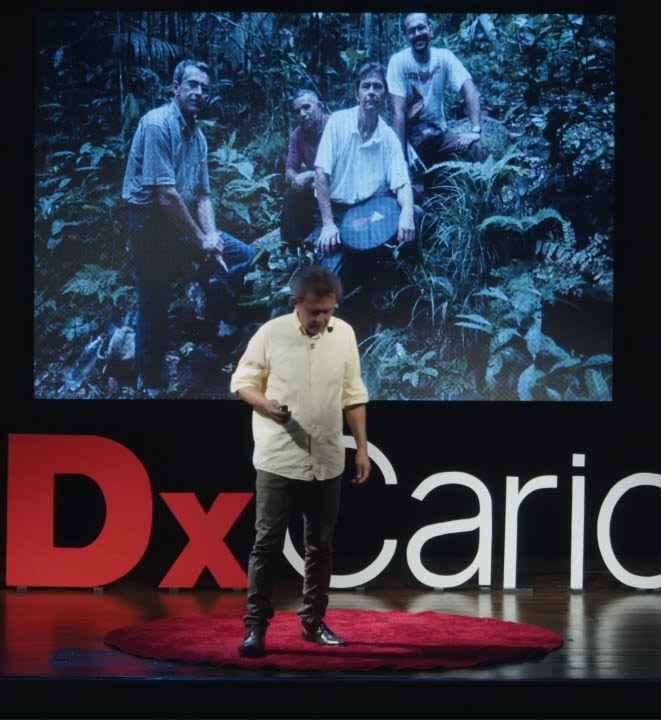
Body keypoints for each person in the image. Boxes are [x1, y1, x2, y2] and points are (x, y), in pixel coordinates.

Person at [230, 264, 370, 658]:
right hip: (279, 458)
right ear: (296, 303)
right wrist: (267, 406)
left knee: (320, 546)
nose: (322, 319)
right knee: (266, 545)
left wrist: (361, 447)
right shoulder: (271, 333)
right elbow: (243, 382)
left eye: (329, 311)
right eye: (314, 312)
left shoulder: (344, 335)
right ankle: (256, 628)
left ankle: (313, 621)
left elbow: (353, 393)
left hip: (326, 458)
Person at [121, 59, 255, 395]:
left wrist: (210, 238)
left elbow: (204, 195)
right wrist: (201, 240)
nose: (198, 92)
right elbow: (165, 195)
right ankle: (153, 385)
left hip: (180, 219)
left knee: (242, 255)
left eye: (204, 88)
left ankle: (226, 320)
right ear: (175, 87)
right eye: (192, 85)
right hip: (149, 223)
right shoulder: (157, 125)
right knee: (153, 302)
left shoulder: (198, 137)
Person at [311, 61, 416, 332]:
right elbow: (321, 173)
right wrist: (328, 224)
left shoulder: (388, 136)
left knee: (417, 218)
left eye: (377, 87)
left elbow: (402, 183)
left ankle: (404, 312)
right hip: (337, 212)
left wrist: (406, 214)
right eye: (366, 86)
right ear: (357, 92)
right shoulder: (338, 123)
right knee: (329, 278)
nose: (371, 92)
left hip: (371, 211)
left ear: (384, 95)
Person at [386, 12, 488, 168]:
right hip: (410, 138)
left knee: (475, 150)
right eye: (411, 31)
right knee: (412, 178)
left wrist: (475, 130)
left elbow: (469, 90)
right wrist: (401, 157)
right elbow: (397, 112)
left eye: (421, 28)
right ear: (407, 36)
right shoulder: (398, 61)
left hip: (438, 133)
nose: (417, 34)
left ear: (430, 30)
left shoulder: (444, 57)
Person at [280, 89, 329, 246]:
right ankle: (292, 247)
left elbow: (342, 170)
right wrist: (305, 180)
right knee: (291, 194)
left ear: (319, 106)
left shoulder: (334, 127)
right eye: (297, 111)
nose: (302, 114)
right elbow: (289, 173)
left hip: (338, 185)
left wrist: (309, 175)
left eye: (307, 107)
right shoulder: (297, 134)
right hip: (315, 187)